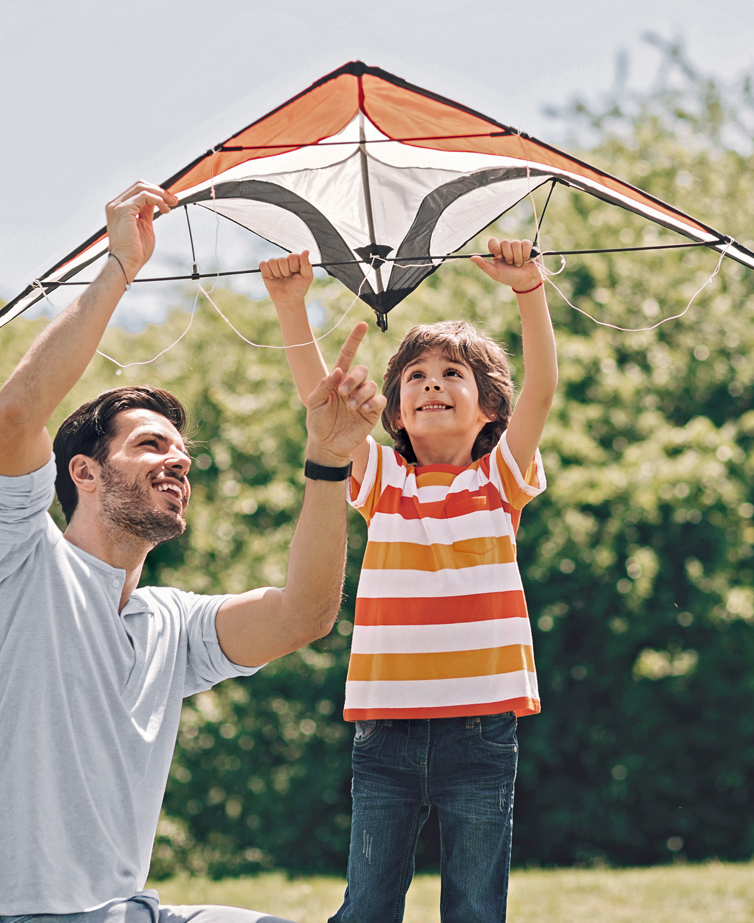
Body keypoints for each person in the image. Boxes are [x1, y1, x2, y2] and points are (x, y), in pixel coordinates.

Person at [0, 182, 386, 923]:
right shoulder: (18, 563)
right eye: (151, 444)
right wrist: (121, 263)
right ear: (83, 472)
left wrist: (328, 459)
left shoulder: (169, 625)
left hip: (130, 911)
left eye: (184, 452)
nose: (179, 461)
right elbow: (19, 414)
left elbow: (305, 615)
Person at [262, 239, 557, 923]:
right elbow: (323, 409)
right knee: (367, 907)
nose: (430, 383)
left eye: (452, 372)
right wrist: (290, 308)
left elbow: (542, 387)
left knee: (476, 909)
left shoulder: (499, 478)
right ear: (394, 411)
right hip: (385, 733)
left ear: (489, 409)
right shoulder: (384, 480)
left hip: (481, 732)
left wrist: (529, 290)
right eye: (416, 374)